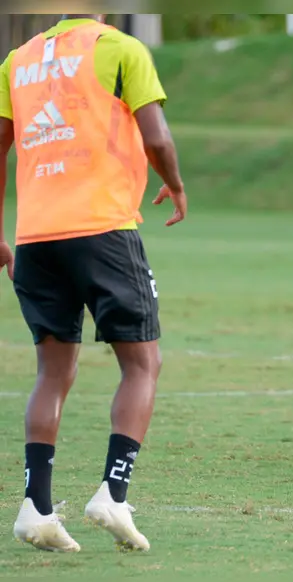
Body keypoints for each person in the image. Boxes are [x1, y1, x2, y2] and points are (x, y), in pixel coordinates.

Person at [0, 14, 187, 553]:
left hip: (35, 238)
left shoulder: (17, 60)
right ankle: (114, 494)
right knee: (143, 363)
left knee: (52, 372)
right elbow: (157, 137)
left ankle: (35, 508)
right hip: (103, 230)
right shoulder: (120, 47)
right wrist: (175, 184)